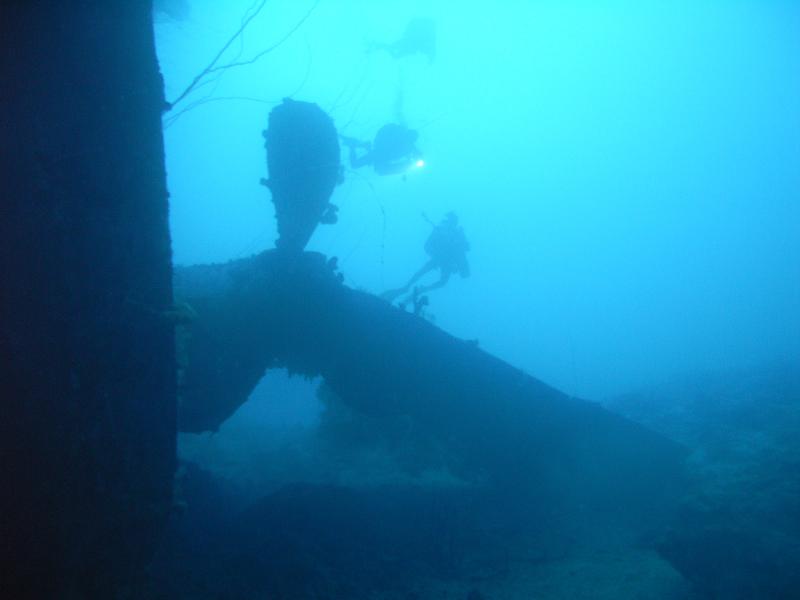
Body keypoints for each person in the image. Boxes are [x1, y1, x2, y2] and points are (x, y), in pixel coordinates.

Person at [382, 212, 470, 303]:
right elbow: (427, 245)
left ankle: (418, 289)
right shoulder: (441, 229)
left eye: (454, 221)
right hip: (439, 258)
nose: (453, 223)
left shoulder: (457, 233)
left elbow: (466, 248)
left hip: (446, 262)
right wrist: (435, 254)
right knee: (424, 273)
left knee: (440, 281)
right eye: (452, 220)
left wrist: (460, 240)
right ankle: (407, 287)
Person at [341, 124, 422, 176]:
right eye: (410, 138)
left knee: (357, 165)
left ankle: (364, 146)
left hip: (383, 160)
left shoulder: (410, 147)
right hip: (378, 154)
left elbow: (418, 154)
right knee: (355, 165)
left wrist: (416, 160)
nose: (409, 140)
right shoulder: (398, 137)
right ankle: (354, 146)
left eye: (411, 140)